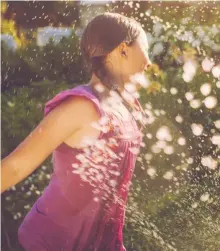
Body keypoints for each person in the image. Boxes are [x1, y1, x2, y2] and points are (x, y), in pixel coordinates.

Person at [1, 12, 151, 251]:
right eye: (145, 48)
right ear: (123, 50)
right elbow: (17, 165)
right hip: (47, 243)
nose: (149, 61)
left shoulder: (121, 106)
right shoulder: (82, 106)